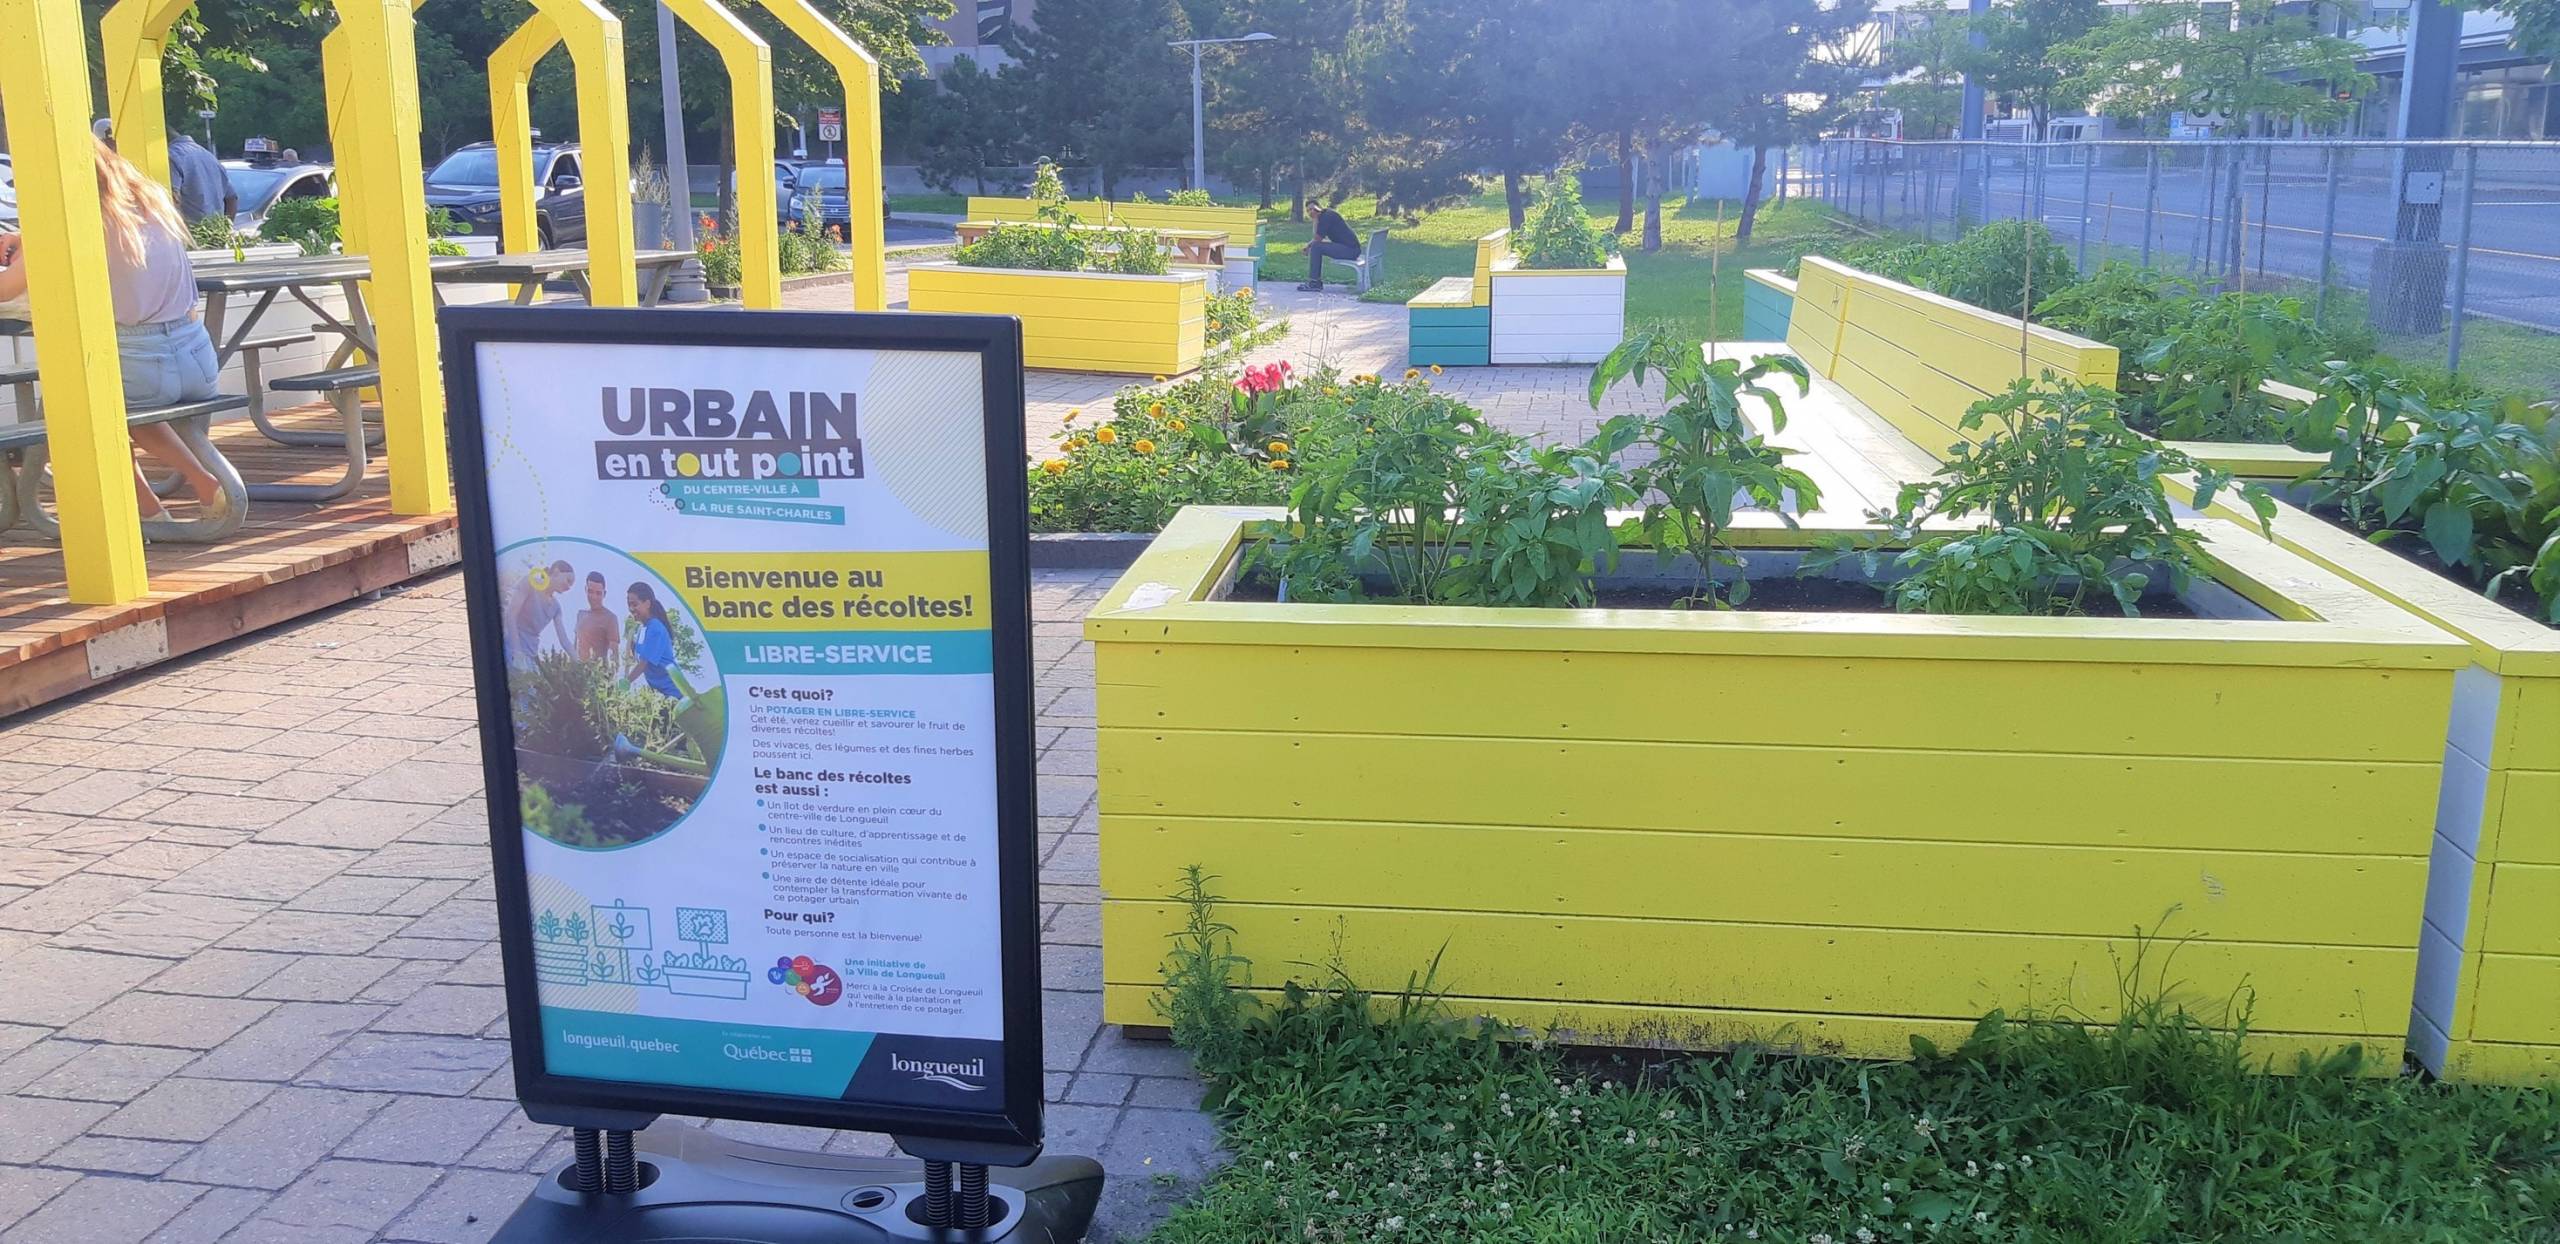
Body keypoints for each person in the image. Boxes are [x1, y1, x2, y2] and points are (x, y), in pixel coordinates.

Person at [0, 136, 234, 521]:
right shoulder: (149, 200)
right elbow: (123, 247)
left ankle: (195, 486)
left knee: (82, 410)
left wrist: (29, 246)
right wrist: (27, 241)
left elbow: (9, 287)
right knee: (96, 395)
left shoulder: (69, 217)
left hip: (143, 364)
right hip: (198, 356)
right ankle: (161, 501)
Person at [508, 558, 574, 662]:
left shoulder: (556, 607)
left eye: (571, 585)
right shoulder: (530, 582)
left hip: (531, 653)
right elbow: (511, 614)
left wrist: (581, 664)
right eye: (568, 580)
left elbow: (564, 640)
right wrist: (516, 651)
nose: (569, 587)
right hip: (512, 644)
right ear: (556, 572)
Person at [625, 583, 682, 698]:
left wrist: (625, 684)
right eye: (629, 605)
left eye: (635, 604)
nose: (631, 609)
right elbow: (635, 656)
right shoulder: (642, 629)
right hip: (659, 695)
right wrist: (629, 638)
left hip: (673, 696)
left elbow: (643, 664)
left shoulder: (656, 628)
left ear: (647, 604)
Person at [166, 131, 237, 225]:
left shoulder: (172, 155)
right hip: (215, 233)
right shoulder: (208, 156)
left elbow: (174, 198)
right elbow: (232, 198)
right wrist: (226, 229)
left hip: (191, 233)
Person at [1300, 189, 1360, 292]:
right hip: (1351, 249)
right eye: (1308, 210)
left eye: (1312, 209)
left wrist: (1315, 220)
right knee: (1316, 246)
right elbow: (1317, 238)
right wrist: (1308, 246)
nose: (1311, 212)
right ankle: (1315, 282)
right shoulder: (1326, 215)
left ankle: (1314, 283)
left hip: (1350, 251)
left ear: (1318, 208)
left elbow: (1317, 239)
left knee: (1316, 247)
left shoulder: (1325, 217)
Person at [573, 571, 620, 665]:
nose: (594, 597)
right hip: (578, 673)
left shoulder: (610, 618)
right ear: (585, 589)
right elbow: (576, 644)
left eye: (598, 593)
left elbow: (614, 654)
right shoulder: (581, 614)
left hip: (598, 674)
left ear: (604, 594)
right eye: (590, 591)